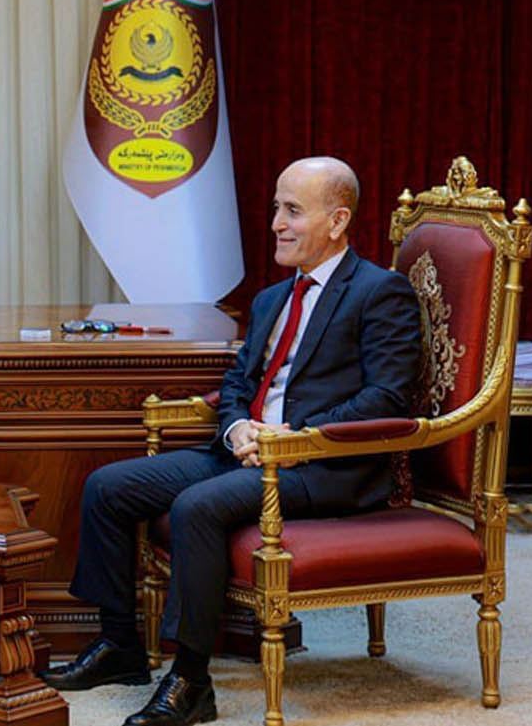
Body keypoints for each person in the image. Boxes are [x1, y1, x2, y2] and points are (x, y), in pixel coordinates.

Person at [50, 156, 423, 726]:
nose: (276, 223)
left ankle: (191, 681)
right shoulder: (273, 298)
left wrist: (297, 437)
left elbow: (387, 397)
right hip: (248, 453)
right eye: (276, 208)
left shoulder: (379, 292)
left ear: (337, 220)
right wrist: (236, 427)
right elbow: (237, 384)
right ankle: (120, 644)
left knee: (196, 506)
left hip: (324, 466)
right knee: (108, 486)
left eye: (292, 210)